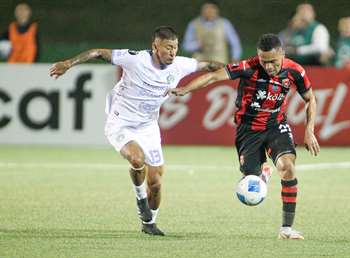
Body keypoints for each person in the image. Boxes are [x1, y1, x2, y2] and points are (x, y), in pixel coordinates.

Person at [49, 26, 223, 236]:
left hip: (148, 127)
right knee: (137, 159)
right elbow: (97, 52)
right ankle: (141, 200)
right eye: (168, 47)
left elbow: (212, 65)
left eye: (175, 47)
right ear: (155, 46)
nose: (172, 52)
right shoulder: (135, 59)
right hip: (120, 123)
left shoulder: (181, 64)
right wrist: (68, 64)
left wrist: (239, 70)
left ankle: (149, 223)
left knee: (156, 183)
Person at [170, 33, 320, 240]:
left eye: (273, 62)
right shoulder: (248, 67)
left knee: (287, 167)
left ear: (282, 54)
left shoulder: (295, 71)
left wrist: (310, 130)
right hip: (248, 130)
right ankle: (262, 174)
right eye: (263, 61)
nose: (268, 67)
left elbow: (310, 99)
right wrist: (186, 88)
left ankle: (286, 229)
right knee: (251, 185)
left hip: (276, 125)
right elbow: (214, 76)